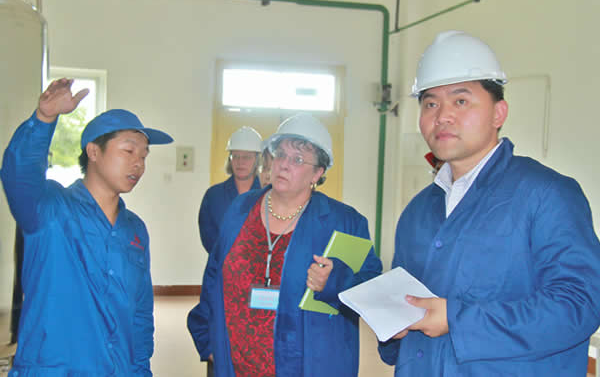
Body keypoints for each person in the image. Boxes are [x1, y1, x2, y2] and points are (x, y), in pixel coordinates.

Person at [378, 30, 600, 376]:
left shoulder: (547, 195)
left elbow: (579, 305)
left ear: (499, 113)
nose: (442, 116)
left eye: (460, 101)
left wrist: (457, 320)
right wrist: (392, 325)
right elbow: (404, 305)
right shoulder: (418, 212)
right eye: (430, 103)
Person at [1, 78, 173, 376]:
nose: (139, 164)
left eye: (144, 156)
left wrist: (140, 370)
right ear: (93, 152)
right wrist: (44, 119)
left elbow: (140, 313)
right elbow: (19, 174)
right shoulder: (50, 210)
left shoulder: (134, 230)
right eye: (129, 151)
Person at [187, 113, 382, 377]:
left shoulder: (344, 222)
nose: (284, 165)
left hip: (307, 366)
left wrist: (335, 280)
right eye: (280, 155)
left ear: (318, 173)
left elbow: (369, 288)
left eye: (298, 159)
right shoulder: (241, 209)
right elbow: (214, 275)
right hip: (237, 363)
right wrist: (207, 341)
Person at [198, 126, 262, 254]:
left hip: (259, 265)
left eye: (246, 157)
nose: (240, 162)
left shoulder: (267, 195)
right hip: (220, 264)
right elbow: (208, 238)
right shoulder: (213, 196)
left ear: (257, 159)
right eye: (235, 156)